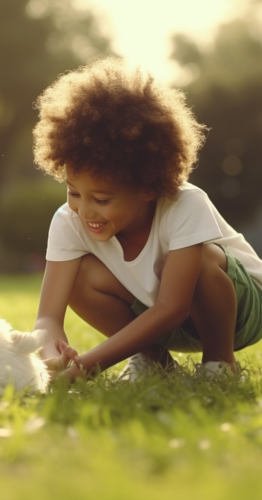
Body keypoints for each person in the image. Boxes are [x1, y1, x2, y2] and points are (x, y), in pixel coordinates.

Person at [33, 57, 262, 382]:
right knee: (78, 277)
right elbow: (46, 318)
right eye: (73, 192)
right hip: (159, 318)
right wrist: (51, 354)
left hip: (240, 313)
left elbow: (173, 307)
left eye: (101, 199)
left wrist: (83, 368)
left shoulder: (185, 204)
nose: (84, 210)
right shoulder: (68, 222)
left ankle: (220, 365)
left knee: (201, 259)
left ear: (146, 188)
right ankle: (155, 361)